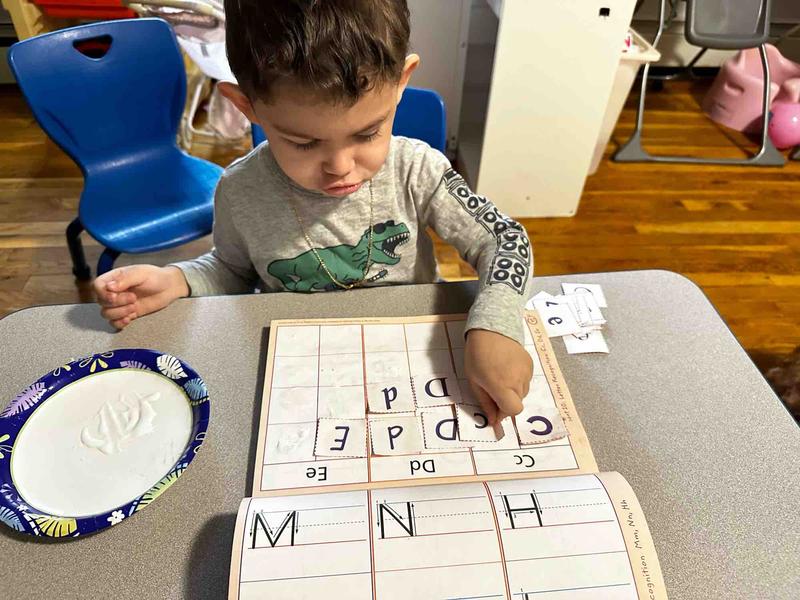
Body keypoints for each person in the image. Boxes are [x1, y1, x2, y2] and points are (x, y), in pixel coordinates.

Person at [94, 0, 534, 422]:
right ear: (247, 106)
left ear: (403, 82)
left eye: (368, 133)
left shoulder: (416, 169)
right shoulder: (240, 188)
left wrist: (496, 323)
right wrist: (179, 280)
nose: (340, 167)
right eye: (303, 143)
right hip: (297, 368)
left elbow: (504, 239)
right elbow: (230, 269)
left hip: (413, 356)